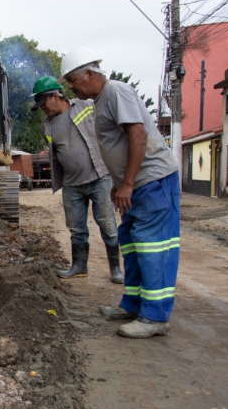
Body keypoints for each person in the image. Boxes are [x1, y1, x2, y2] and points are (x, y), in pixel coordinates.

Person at [59, 48, 180, 339]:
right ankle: (134, 304)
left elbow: (137, 134)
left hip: (153, 182)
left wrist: (126, 183)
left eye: (73, 80)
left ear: (89, 73)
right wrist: (120, 183)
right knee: (132, 242)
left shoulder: (115, 91)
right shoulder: (101, 100)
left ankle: (155, 317)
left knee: (152, 246)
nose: (71, 87)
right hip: (135, 185)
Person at [31, 76, 124, 283]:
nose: (43, 109)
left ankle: (116, 269)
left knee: (107, 224)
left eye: (44, 103)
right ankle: (79, 266)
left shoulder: (86, 105)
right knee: (76, 228)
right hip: (71, 183)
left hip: (99, 177)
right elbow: (57, 152)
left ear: (55, 96)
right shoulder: (46, 125)